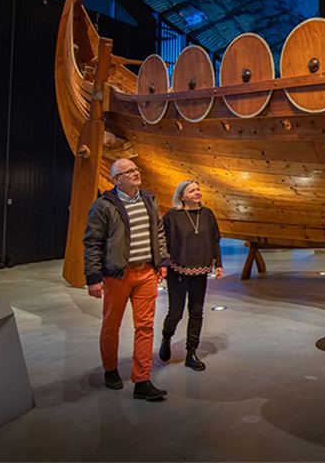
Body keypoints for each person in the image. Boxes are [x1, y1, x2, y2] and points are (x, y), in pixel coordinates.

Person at [84, 158, 169, 401]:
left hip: (147, 273)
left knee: (145, 326)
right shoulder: (103, 205)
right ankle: (110, 369)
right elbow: (92, 242)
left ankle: (142, 380)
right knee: (111, 325)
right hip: (117, 275)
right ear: (116, 179)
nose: (135, 173)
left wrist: (161, 261)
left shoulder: (149, 199)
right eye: (128, 171)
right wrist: (93, 277)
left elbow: (159, 231)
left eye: (136, 169)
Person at [159, 179, 223, 371]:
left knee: (196, 312)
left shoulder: (207, 214)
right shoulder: (172, 216)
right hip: (177, 270)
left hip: (201, 271)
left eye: (198, 189)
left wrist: (218, 264)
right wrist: (162, 265)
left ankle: (191, 353)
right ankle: (166, 337)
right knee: (175, 313)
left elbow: (215, 240)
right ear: (182, 196)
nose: (197, 192)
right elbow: (163, 242)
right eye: (192, 190)